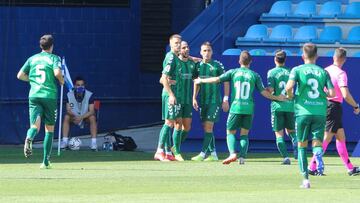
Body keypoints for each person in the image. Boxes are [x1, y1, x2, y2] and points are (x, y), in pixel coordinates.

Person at [194, 51, 285, 165]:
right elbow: (264, 93)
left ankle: (232, 153)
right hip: (249, 109)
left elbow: (216, 79)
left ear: (239, 61)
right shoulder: (255, 75)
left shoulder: (233, 72)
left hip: (236, 108)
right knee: (244, 134)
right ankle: (242, 158)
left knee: (230, 132)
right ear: (250, 62)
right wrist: (277, 98)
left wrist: (201, 80)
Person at [285, 43, 335, 189]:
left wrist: (290, 96)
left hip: (303, 112)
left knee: (301, 145)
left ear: (303, 56)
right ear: (317, 56)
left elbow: (288, 87)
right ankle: (318, 155)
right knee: (317, 141)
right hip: (320, 111)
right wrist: (322, 94)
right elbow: (332, 94)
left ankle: (305, 180)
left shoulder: (297, 70)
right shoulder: (323, 72)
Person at [308, 48, 360, 176]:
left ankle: (350, 168)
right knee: (326, 138)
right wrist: (355, 106)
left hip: (324, 105)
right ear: (344, 59)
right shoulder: (341, 73)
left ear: (333, 57)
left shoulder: (325, 70)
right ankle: (312, 166)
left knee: (341, 137)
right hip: (334, 107)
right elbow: (345, 94)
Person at [17, 34, 64, 169]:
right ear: (52, 46)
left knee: (34, 126)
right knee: (49, 129)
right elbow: (57, 73)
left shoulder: (32, 58)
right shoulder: (54, 58)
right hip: (49, 96)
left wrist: (32, 80)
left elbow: (20, 75)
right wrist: (61, 80)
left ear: (40, 46)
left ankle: (29, 137)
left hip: (34, 95)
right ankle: (45, 162)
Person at [191, 42, 229, 162]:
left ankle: (202, 154)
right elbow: (196, 82)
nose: (207, 53)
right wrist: (194, 97)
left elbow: (226, 81)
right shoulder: (197, 66)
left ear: (212, 52)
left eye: (209, 50)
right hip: (203, 101)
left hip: (214, 101)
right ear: (200, 52)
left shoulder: (217, 65)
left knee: (208, 126)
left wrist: (225, 99)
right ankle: (213, 154)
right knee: (206, 128)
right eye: (204, 51)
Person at [154, 34, 182, 161]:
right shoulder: (170, 57)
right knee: (169, 122)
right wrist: (171, 94)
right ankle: (159, 151)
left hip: (173, 94)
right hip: (169, 94)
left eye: (179, 43)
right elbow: (163, 78)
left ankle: (167, 152)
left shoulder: (176, 58)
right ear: (170, 44)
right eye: (175, 43)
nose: (178, 45)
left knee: (171, 122)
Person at [267, 50, 298, 165]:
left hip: (278, 106)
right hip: (290, 106)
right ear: (285, 60)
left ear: (275, 59)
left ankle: (286, 158)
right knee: (291, 131)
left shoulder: (271, 72)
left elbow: (270, 90)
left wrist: (265, 91)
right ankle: (296, 144)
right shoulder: (291, 72)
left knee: (279, 134)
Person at [169, 41, 197, 161]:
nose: (186, 49)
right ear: (179, 50)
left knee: (187, 127)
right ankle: (177, 152)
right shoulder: (175, 62)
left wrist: (194, 97)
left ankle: (173, 147)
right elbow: (164, 78)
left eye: (187, 47)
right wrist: (169, 84)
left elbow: (196, 79)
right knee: (178, 125)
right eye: (183, 48)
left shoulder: (192, 64)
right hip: (177, 98)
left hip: (187, 99)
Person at [60, 76, 98, 150]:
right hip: (74, 116)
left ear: (84, 86)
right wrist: (76, 116)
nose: (80, 87)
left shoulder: (89, 95)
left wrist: (81, 117)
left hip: (85, 116)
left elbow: (91, 111)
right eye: (78, 85)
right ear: (74, 86)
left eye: (82, 85)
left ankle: (94, 143)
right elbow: (68, 110)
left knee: (92, 117)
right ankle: (64, 142)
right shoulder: (69, 95)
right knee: (66, 117)